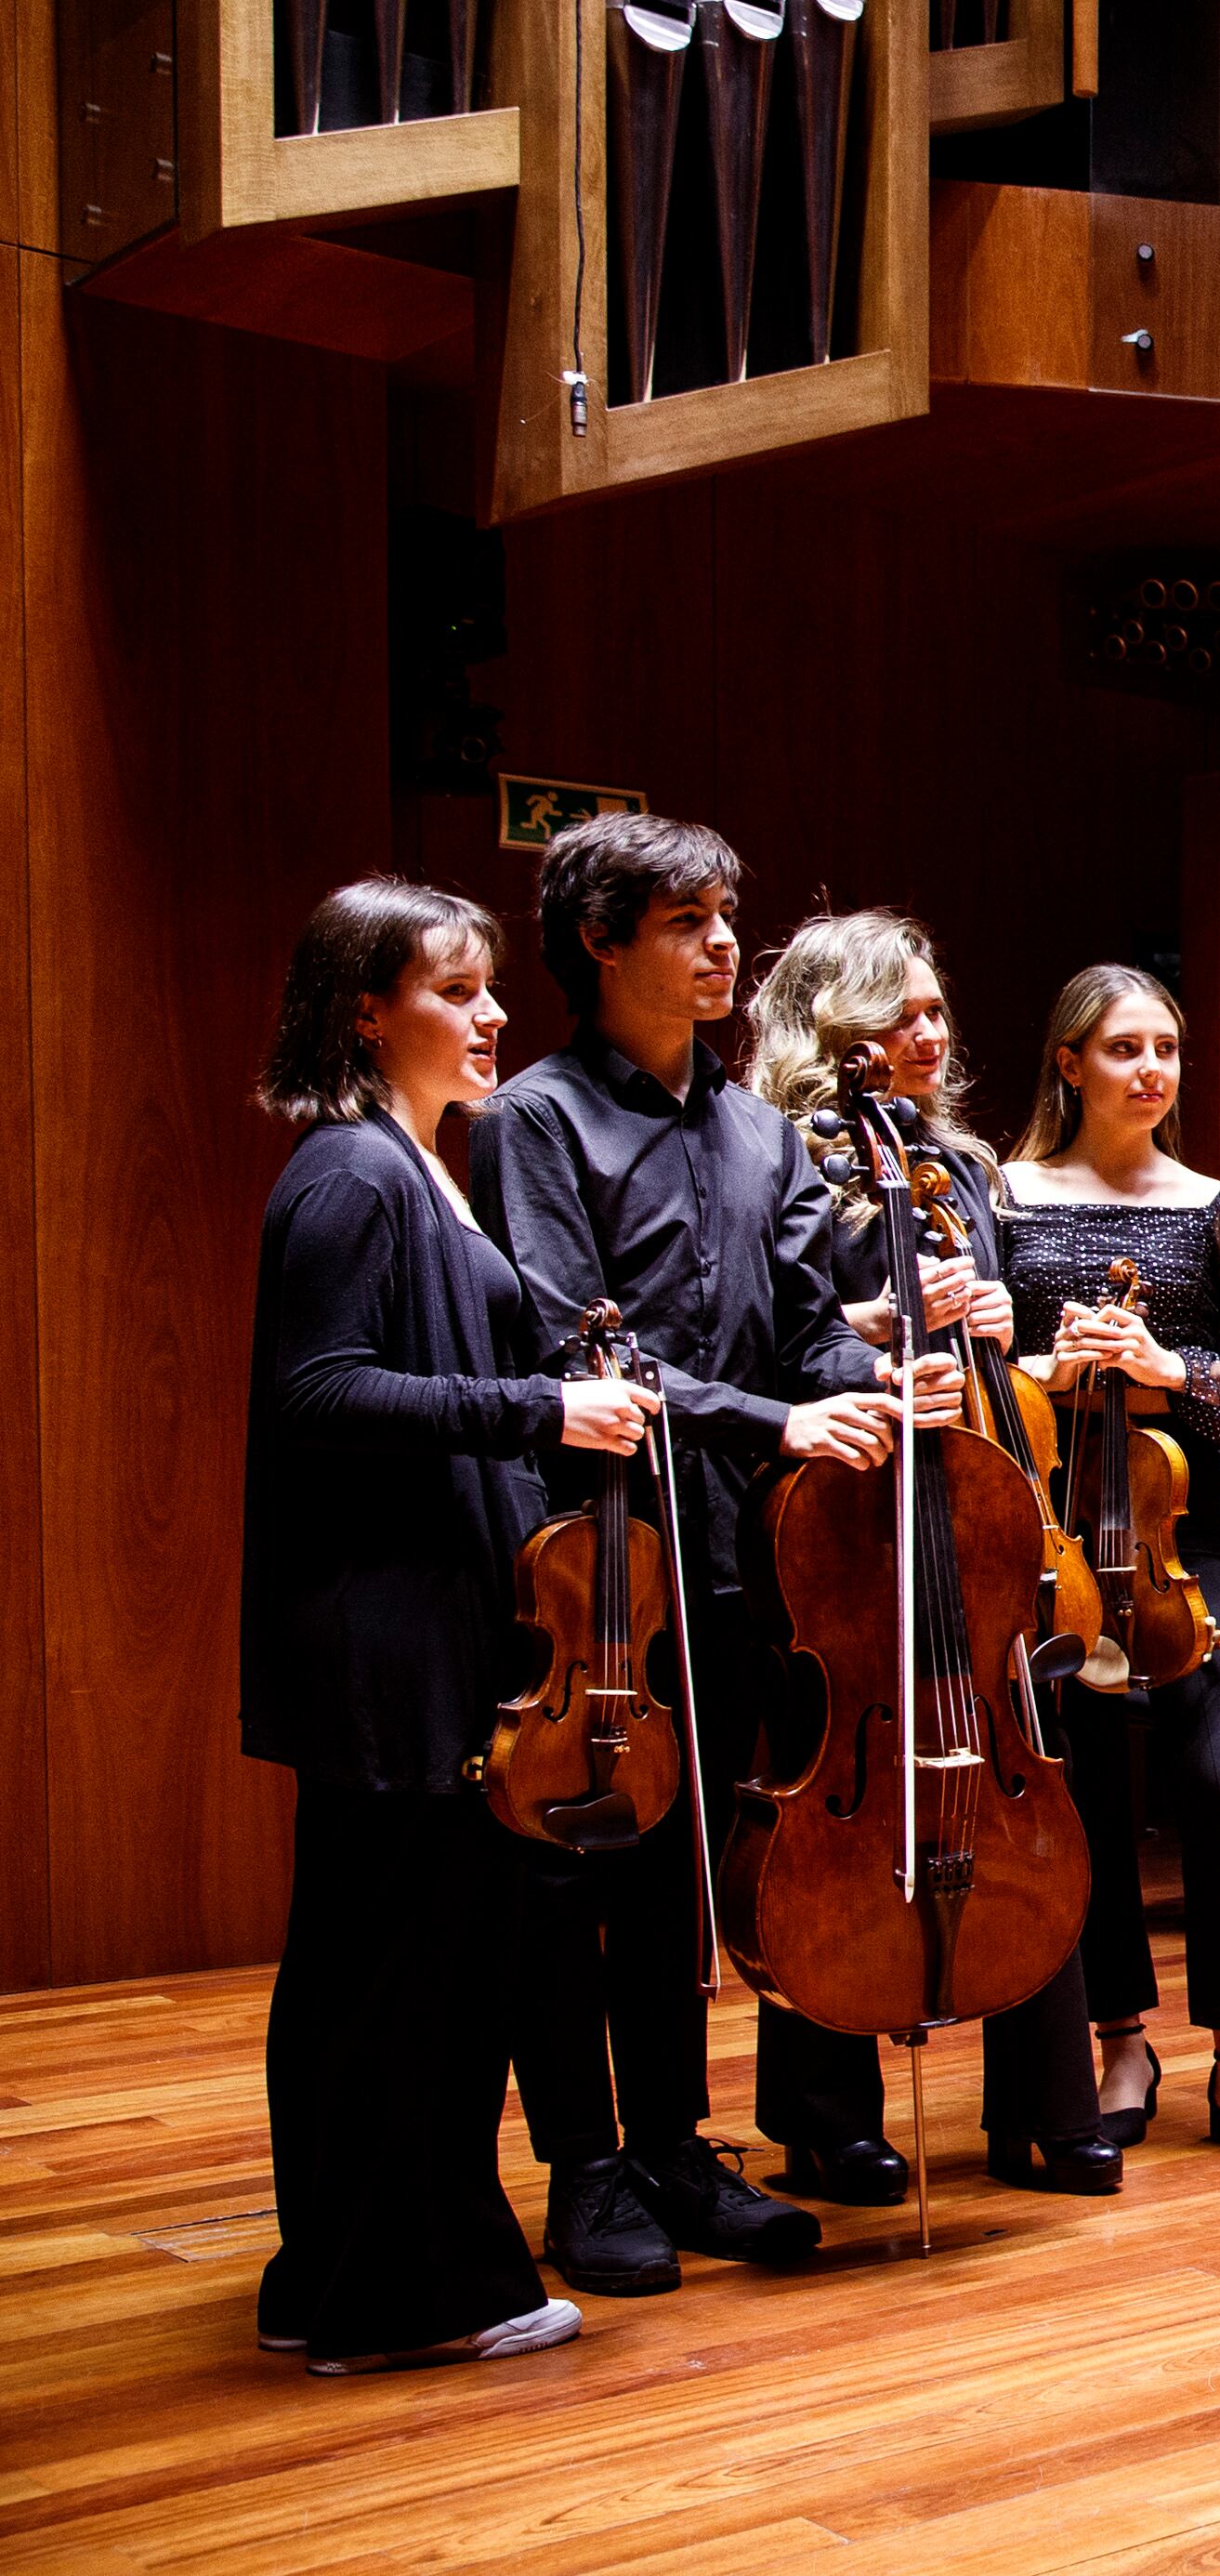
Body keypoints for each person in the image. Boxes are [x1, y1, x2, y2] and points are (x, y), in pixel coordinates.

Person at [469, 815, 918, 2288]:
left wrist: (854, 1389)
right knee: (568, 1871)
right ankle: (583, 2171)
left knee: (682, 1873)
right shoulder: (535, 1119)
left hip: (733, 1551)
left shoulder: (756, 1127)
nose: (727, 945)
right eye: (687, 921)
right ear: (602, 943)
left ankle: (672, 2143)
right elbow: (565, 1336)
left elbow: (798, 1331)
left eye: (728, 916)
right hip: (592, 1564)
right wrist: (781, 1416)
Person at [240, 878, 636, 2373]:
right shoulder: (353, 1175)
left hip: (407, 1630)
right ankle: (411, 2296)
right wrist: (545, 1404)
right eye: (455, 991)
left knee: (354, 1964)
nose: (492, 1017)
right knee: (409, 1973)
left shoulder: (410, 1164)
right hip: (388, 1641)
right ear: (364, 1008)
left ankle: (324, 2274)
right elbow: (320, 1392)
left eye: (489, 990)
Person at [744, 908, 1120, 2195]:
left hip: (971, 1512)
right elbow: (772, 1336)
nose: (931, 1031)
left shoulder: (957, 1163)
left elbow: (1000, 1357)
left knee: (1016, 1766)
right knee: (833, 1798)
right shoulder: (781, 1154)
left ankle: (1046, 2099)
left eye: (937, 1010)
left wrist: (1003, 1319)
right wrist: (872, 1328)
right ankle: (823, 2110)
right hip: (847, 1508)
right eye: (902, 1012)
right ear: (832, 1022)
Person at [1001, 965, 1220, 2168]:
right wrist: (1048, 1370)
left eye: (1168, 1048)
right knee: (1091, 1796)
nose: (1153, 1069)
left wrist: (1169, 1367)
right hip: (1057, 1539)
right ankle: (1122, 2040)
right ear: (1068, 1062)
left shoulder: (1216, 1206)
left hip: (1185, 1538)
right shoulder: (1008, 1197)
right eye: (1125, 1047)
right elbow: (981, 1365)